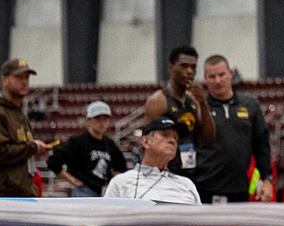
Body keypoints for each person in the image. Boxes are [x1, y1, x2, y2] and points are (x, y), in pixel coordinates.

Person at [193, 55, 273, 204]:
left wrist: (267, 178)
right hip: (203, 190)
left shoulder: (250, 105)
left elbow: (261, 145)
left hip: (239, 189)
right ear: (205, 78)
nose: (218, 80)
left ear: (231, 73)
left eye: (222, 74)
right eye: (212, 76)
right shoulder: (198, 107)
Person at [142, 45, 216, 180]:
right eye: (184, 66)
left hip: (191, 172)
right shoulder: (158, 100)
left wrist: (203, 104)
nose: (189, 71)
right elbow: (147, 143)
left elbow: (208, 139)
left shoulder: (194, 101)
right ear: (171, 67)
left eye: (193, 67)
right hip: (164, 173)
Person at [0, 59, 48, 197]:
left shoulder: (19, 113)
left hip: (23, 192)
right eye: (18, 77)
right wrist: (33, 147)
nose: (24, 81)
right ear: (5, 80)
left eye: (27, 77)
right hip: (2, 195)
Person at [103, 118, 201, 204]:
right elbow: (107, 220)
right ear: (145, 141)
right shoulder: (121, 182)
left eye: (175, 138)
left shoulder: (187, 185)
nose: (172, 141)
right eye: (165, 135)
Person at [47, 101, 128, 197]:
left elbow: (122, 168)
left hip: (104, 191)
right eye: (97, 119)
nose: (102, 123)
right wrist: (72, 180)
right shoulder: (78, 142)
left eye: (105, 119)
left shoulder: (110, 144)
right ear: (89, 120)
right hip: (84, 191)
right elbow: (53, 161)